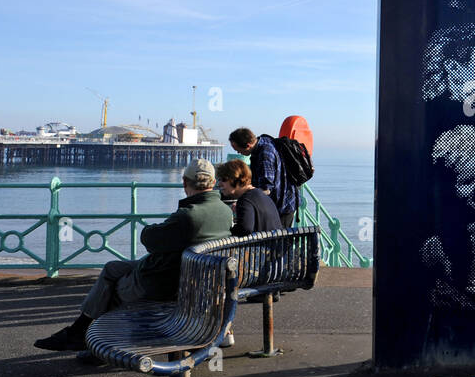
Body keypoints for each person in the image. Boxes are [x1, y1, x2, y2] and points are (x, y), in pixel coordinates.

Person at [33, 159, 233, 353]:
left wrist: (155, 229)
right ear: (213, 182)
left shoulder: (188, 215)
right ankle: (84, 335)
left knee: (109, 287)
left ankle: (94, 341)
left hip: (161, 283)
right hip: (192, 279)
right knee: (112, 268)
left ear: (184, 182)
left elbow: (149, 240)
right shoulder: (225, 212)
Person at [214, 159, 283, 347]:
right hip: (277, 263)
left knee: (214, 278)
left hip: (261, 267)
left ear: (236, 181)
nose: (219, 184)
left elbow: (245, 229)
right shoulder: (260, 195)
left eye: (223, 180)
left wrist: (228, 228)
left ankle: (220, 333)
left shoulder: (245, 200)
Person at [229, 127, 299, 228]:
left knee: (279, 240)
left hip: (282, 205)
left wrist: (245, 201)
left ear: (248, 145)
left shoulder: (265, 154)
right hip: (283, 201)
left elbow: (266, 188)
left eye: (238, 150)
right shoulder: (264, 142)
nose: (238, 153)